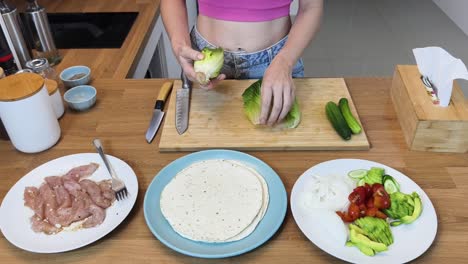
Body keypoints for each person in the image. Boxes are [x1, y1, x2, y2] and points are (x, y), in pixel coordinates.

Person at [161, 0, 323, 125]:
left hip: (276, 63)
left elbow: (311, 7)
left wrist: (285, 62)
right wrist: (180, 44)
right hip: (205, 62)